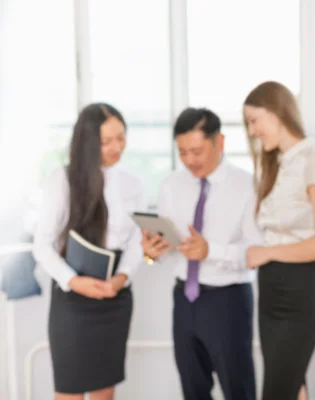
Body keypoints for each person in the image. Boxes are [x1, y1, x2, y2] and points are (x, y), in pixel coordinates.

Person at [141, 107, 262, 400]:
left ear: (219, 141)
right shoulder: (172, 184)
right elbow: (171, 248)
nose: (189, 160)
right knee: (192, 389)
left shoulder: (248, 185)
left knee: (238, 389)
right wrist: (152, 252)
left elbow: (257, 251)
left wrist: (211, 250)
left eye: (196, 151)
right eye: (182, 152)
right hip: (184, 299)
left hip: (228, 299)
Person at [33, 103, 146, 400]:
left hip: (114, 295)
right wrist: (73, 281)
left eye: (121, 137)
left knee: (104, 390)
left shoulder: (133, 183)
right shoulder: (62, 179)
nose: (116, 147)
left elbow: (136, 242)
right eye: (106, 141)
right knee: (69, 390)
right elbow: (42, 246)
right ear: (87, 141)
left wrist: (122, 278)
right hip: (73, 297)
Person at [242, 81, 315, 400]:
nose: (252, 131)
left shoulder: (314, 161)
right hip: (270, 292)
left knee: (276, 392)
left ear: (277, 113)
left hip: (299, 295)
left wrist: (267, 252)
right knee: (291, 386)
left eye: (254, 121)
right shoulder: (275, 165)